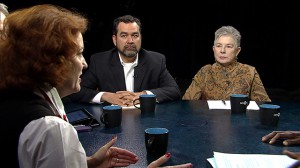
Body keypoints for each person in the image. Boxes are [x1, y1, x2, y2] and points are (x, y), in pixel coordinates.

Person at [0, 4, 192, 168]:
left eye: (135, 35)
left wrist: (87, 163)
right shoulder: (52, 129)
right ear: (52, 60)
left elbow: (173, 89)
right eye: (78, 53)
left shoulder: (16, 100)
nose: (84, 64)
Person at [67, 14, 181, 107]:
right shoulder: (100, 61)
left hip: (147, 120)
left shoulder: (156, 60)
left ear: (140, 38)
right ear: (114, 39)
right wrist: (106, 96)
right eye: (124, 35)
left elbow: (174, 90)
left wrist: (143, 95)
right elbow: (77, 92)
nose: (130, 41)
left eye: (135, 35)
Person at [182, 25, 271, 102]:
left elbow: (263, 105)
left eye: (228, 46)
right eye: (218, 46)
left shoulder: (249, 72)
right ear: (213, 49)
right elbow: (187, 103)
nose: (222, 50)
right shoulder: (205, 71)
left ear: (237, 51)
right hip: (209, 120)